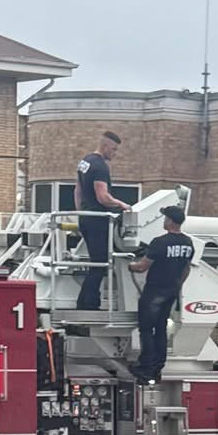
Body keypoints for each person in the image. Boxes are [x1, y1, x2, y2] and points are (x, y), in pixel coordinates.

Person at [129, 206, 196, 384]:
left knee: (146, 330)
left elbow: (142, 266)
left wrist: (130, 265)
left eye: (165, 218)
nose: (163, 221)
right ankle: (158, 367)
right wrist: (176, 285)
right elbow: (186, 269)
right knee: (160, 330)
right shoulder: (188, 243)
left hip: (154, 291)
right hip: (171, 291)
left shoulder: (159, 242)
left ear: (171, 221)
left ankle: (145, 368)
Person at [74, 130, 129, 311]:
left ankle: (83, 301)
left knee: (94, 263)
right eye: (113, 149)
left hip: (86, 218)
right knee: (100, 263)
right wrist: (123, 205)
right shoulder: (100, 167)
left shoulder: (85, 162)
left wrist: (81, 213)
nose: (115, 153)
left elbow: (78, 190)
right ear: (105, 146)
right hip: (98, 220)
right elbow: (103, 197)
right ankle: (89, 303)